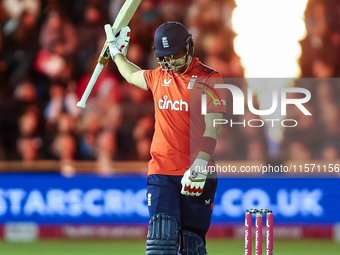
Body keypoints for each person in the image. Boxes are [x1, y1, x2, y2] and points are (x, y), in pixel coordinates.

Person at [104, 21, 226, 255]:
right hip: (162, 170)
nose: (171, 63)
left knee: (191, 246)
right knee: (161, 241)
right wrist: (117, 53)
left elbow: (214, 126)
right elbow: (132, 75)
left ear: (189, 47)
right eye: (165, 58)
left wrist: (200, 163)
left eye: (176, 56)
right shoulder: (159, 76)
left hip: (197, 172)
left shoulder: (210, 78)